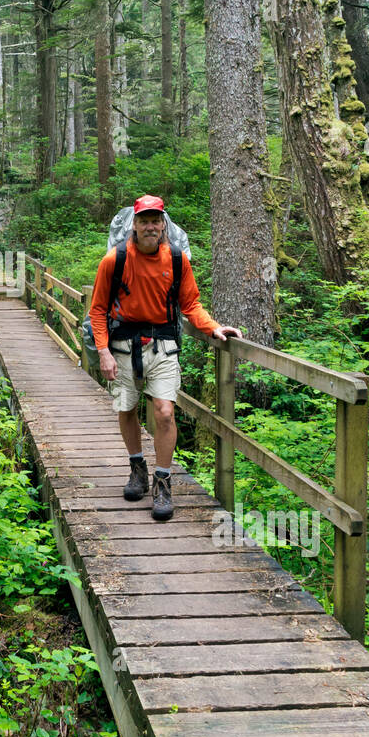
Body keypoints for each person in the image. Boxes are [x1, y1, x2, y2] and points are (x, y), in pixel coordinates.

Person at [88, 195, 242, 521]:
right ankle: (136, 468)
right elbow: (98, 310)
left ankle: (162, 480)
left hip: (163, 345)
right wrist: (103, 352)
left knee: (164, 411)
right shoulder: (114, 261)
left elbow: (191, 304)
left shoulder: (175, 259)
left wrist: (214, 328)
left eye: (155, 221)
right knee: (126, 408)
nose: (150, 227)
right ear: (135, 224)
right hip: (123, 345)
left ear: (163, 224)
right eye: (144, 221)